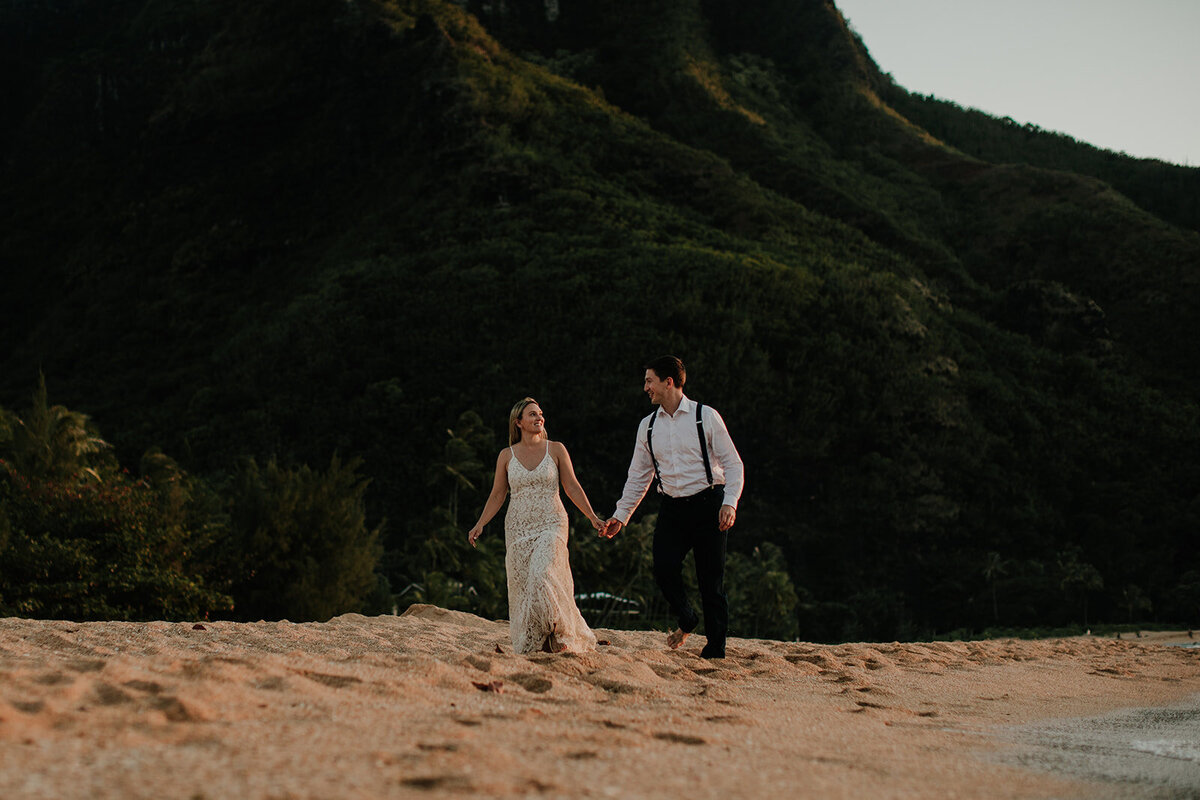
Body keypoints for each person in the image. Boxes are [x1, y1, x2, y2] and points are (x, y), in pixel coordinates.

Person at [601, 356, 744, 659]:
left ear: (669, 382)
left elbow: (733, 464)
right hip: (672, 508)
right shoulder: (647, 426)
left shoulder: (705, 416)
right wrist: (621, 516)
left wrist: (729, 503)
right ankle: (687, 617)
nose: (645, 388)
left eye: (649, 381)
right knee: (663, 568)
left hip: (709, 503)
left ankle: (715, 649)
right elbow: (639, 476)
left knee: (711, 581)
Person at [468, 397, 601, 654]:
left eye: (540, 414)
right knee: (526, 586)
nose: (539, 418)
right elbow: (497, 494)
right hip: (518, 528)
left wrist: (592, 517)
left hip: (552, 522)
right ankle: (542, 640)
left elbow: (571, 486)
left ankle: (561, 633)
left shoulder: (557, 449)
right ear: (518, 422)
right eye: (532, 414)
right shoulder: (506, 456)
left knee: (544, 573)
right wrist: (480, 524)